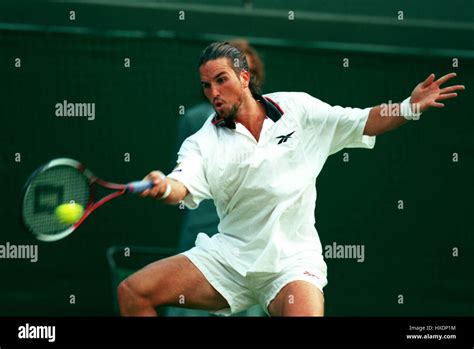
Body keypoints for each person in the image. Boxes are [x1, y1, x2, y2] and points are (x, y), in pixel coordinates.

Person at [117, 42, 465, 316]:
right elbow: (183, 183)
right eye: (206, 86)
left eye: (221, 80)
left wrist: (407, 106)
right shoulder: (202, 141)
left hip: (291, 264)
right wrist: (164, 186)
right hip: (228, 261)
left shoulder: (297, 110)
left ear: (244, 77)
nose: (214, 93)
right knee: (133, 291)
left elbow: (362, 121)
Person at [168, 40, 265, 316]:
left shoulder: (274, 120)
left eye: (249, 71)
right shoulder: (196, 120)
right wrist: (169, 187)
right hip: (201, 238)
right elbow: (184, 176)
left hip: (252, 249)